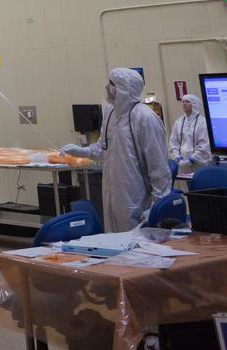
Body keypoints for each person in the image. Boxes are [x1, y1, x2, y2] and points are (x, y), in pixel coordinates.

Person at [63, 68, 172, 231]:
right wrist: (81, 151)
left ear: (125, 88)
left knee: (137, 247)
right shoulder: (110, 113)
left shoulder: (145, 118)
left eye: (112, 84)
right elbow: (102, 149)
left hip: (137, 195)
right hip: (112, 192)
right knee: (115, 243)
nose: (107, 87)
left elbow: (159, 168)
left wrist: (157, 206)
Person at [169, 94, 212, 176]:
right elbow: (173, 142)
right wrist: (177, 157)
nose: (184, 104)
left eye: (188, 102)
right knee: (186, 187)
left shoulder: (203, 122)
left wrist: (191, 160)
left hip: (199, 164)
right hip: (182, 164)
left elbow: (204, 145)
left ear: (194, 104)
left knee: (199, 186)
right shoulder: (179, 122)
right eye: (183, 102)